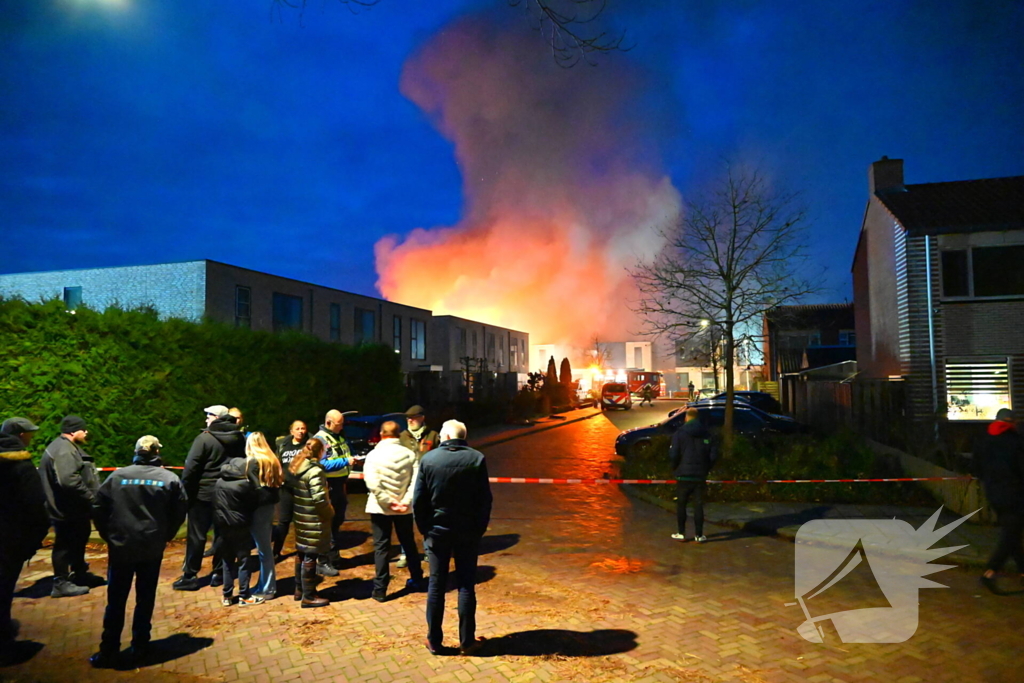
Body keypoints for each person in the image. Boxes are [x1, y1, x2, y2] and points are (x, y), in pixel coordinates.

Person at [89, 436, 187, 668]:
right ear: (156, 452)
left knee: (116, 599)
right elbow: (179, 512)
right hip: (151, 546)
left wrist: (109, 535)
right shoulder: (169, 479)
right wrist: (164, 536)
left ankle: (108, 650)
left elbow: (98, 507)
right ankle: (140, 646)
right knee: (145, 597)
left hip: (121, 545)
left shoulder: (117, 476)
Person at [413, 420, 492, 655]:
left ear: (445, 435)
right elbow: (484, 499)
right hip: (467, 531)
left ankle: (435, 641)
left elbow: (419, 500)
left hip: (437, 532)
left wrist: (425, 528)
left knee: (436, 586)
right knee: (466, 585)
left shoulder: (429, 459)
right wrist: (479, 528)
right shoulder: (476, 459)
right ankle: (467, 641)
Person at [173, 405, 245, 592]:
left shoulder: (204, 438)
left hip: (202, 495)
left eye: (209, 415)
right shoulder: (238, 438)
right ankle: (219, 573)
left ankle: (190, 576)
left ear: (217, 418)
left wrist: (185, 492)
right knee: (222, 534)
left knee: (197, 536)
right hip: (227, 494)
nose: (206, 419)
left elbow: (191, 469)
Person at [0, 418, 49, 664]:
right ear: (20, 436)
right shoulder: (21, 466)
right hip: (10, 541)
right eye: (29, 434)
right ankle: (4, 647)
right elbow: (36, 506)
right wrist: (33, 538)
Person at [39, 414, 104, 597]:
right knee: (65, 544)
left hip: (73, 509)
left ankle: (79, 574)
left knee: (76, 541)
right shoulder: (64, 450)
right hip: (65, 510)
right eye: (83, 429)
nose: (86, 432)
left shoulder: (65, 447)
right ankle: (61, 583)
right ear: (74, 431)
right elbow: (68, 481)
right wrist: (91, 497)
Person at [364, 421, 426, 602]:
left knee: (381, 547)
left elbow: (372, 483)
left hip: (380, 507)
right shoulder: (409, 454)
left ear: (382, 434)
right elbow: (416, 482)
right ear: (398, 434)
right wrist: (404, 502)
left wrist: (388, 501)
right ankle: (417, 579)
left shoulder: (373, 455)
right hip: (404, 509)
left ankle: (380, 590)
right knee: (408, 544)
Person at [975, 408, 1024, 595]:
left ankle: (1022, 570)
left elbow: (977, 468)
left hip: (994, 494)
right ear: (1012, 422)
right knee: (1011, 533)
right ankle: (990, 571)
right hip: (1015, 495)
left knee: (1013, 531)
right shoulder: (1016, 441)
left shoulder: (983, 440)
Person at [289, 438, 332, 608]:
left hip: (301, 517)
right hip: (312, 519)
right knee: (310, 554)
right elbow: (319, 499)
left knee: (301, 551)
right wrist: (329, 513)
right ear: (319, 451)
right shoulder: (314, 471)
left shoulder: (299, 466)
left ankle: (299, 590)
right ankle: (309, 596)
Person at [396, 405, 439, 568]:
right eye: (408, 418)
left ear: (422, 418)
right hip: (406, 485)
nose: (410, 420)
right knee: (404, 522)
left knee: (428, 520)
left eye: (413, 417)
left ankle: (429, 551)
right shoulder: (402, 437)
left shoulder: (433, 436)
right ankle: (405, 553)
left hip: (427, 486)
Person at [214, 457, 260, 606]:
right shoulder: (243, 485)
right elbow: (254, 502)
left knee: (227, 561)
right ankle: (244, 595)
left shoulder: (219, 482)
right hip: (240, 527)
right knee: (243, 561)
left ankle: (227, 596)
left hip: (223, 527)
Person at [311, 410, 352, 576]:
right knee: (327, 523)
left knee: (337, 522)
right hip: (329, 486)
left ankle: (333, 557)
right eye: (339, 423)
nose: (342, 426)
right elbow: (321, 464)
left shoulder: (339, 436)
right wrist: (345, 462)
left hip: (340, 484)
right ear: (328, 422)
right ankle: (323, 560)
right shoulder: (320, 439)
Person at [669, 407, 718, 543]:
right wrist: (706, 469)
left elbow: (673, 454)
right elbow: (713, 456)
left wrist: (675, 468)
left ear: (686, 417)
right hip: (700, 476)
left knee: (681, 504)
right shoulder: (707, 434)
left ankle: (681, 533)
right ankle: (699, 534)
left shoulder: (679, 433)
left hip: (683, 475)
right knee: (698, 505)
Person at [245, 433, 283, 600]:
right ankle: (265, 584)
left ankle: (267, 588)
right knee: (265, 547)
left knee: (263, 550)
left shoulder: (253, 462)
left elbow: (252, 488)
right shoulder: (271, 459)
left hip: (258, 509)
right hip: (269, 507)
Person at [272, 421, 307, 560]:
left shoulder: (310, 444)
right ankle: (276, 552)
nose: (301, 431)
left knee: (303, 521)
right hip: (286, 489)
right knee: (283, 521)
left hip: (303, 489)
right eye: (297, 429)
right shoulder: (283, 445)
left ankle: (304, 553)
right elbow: (277, 462)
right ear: (291, 431)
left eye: (303, 428)